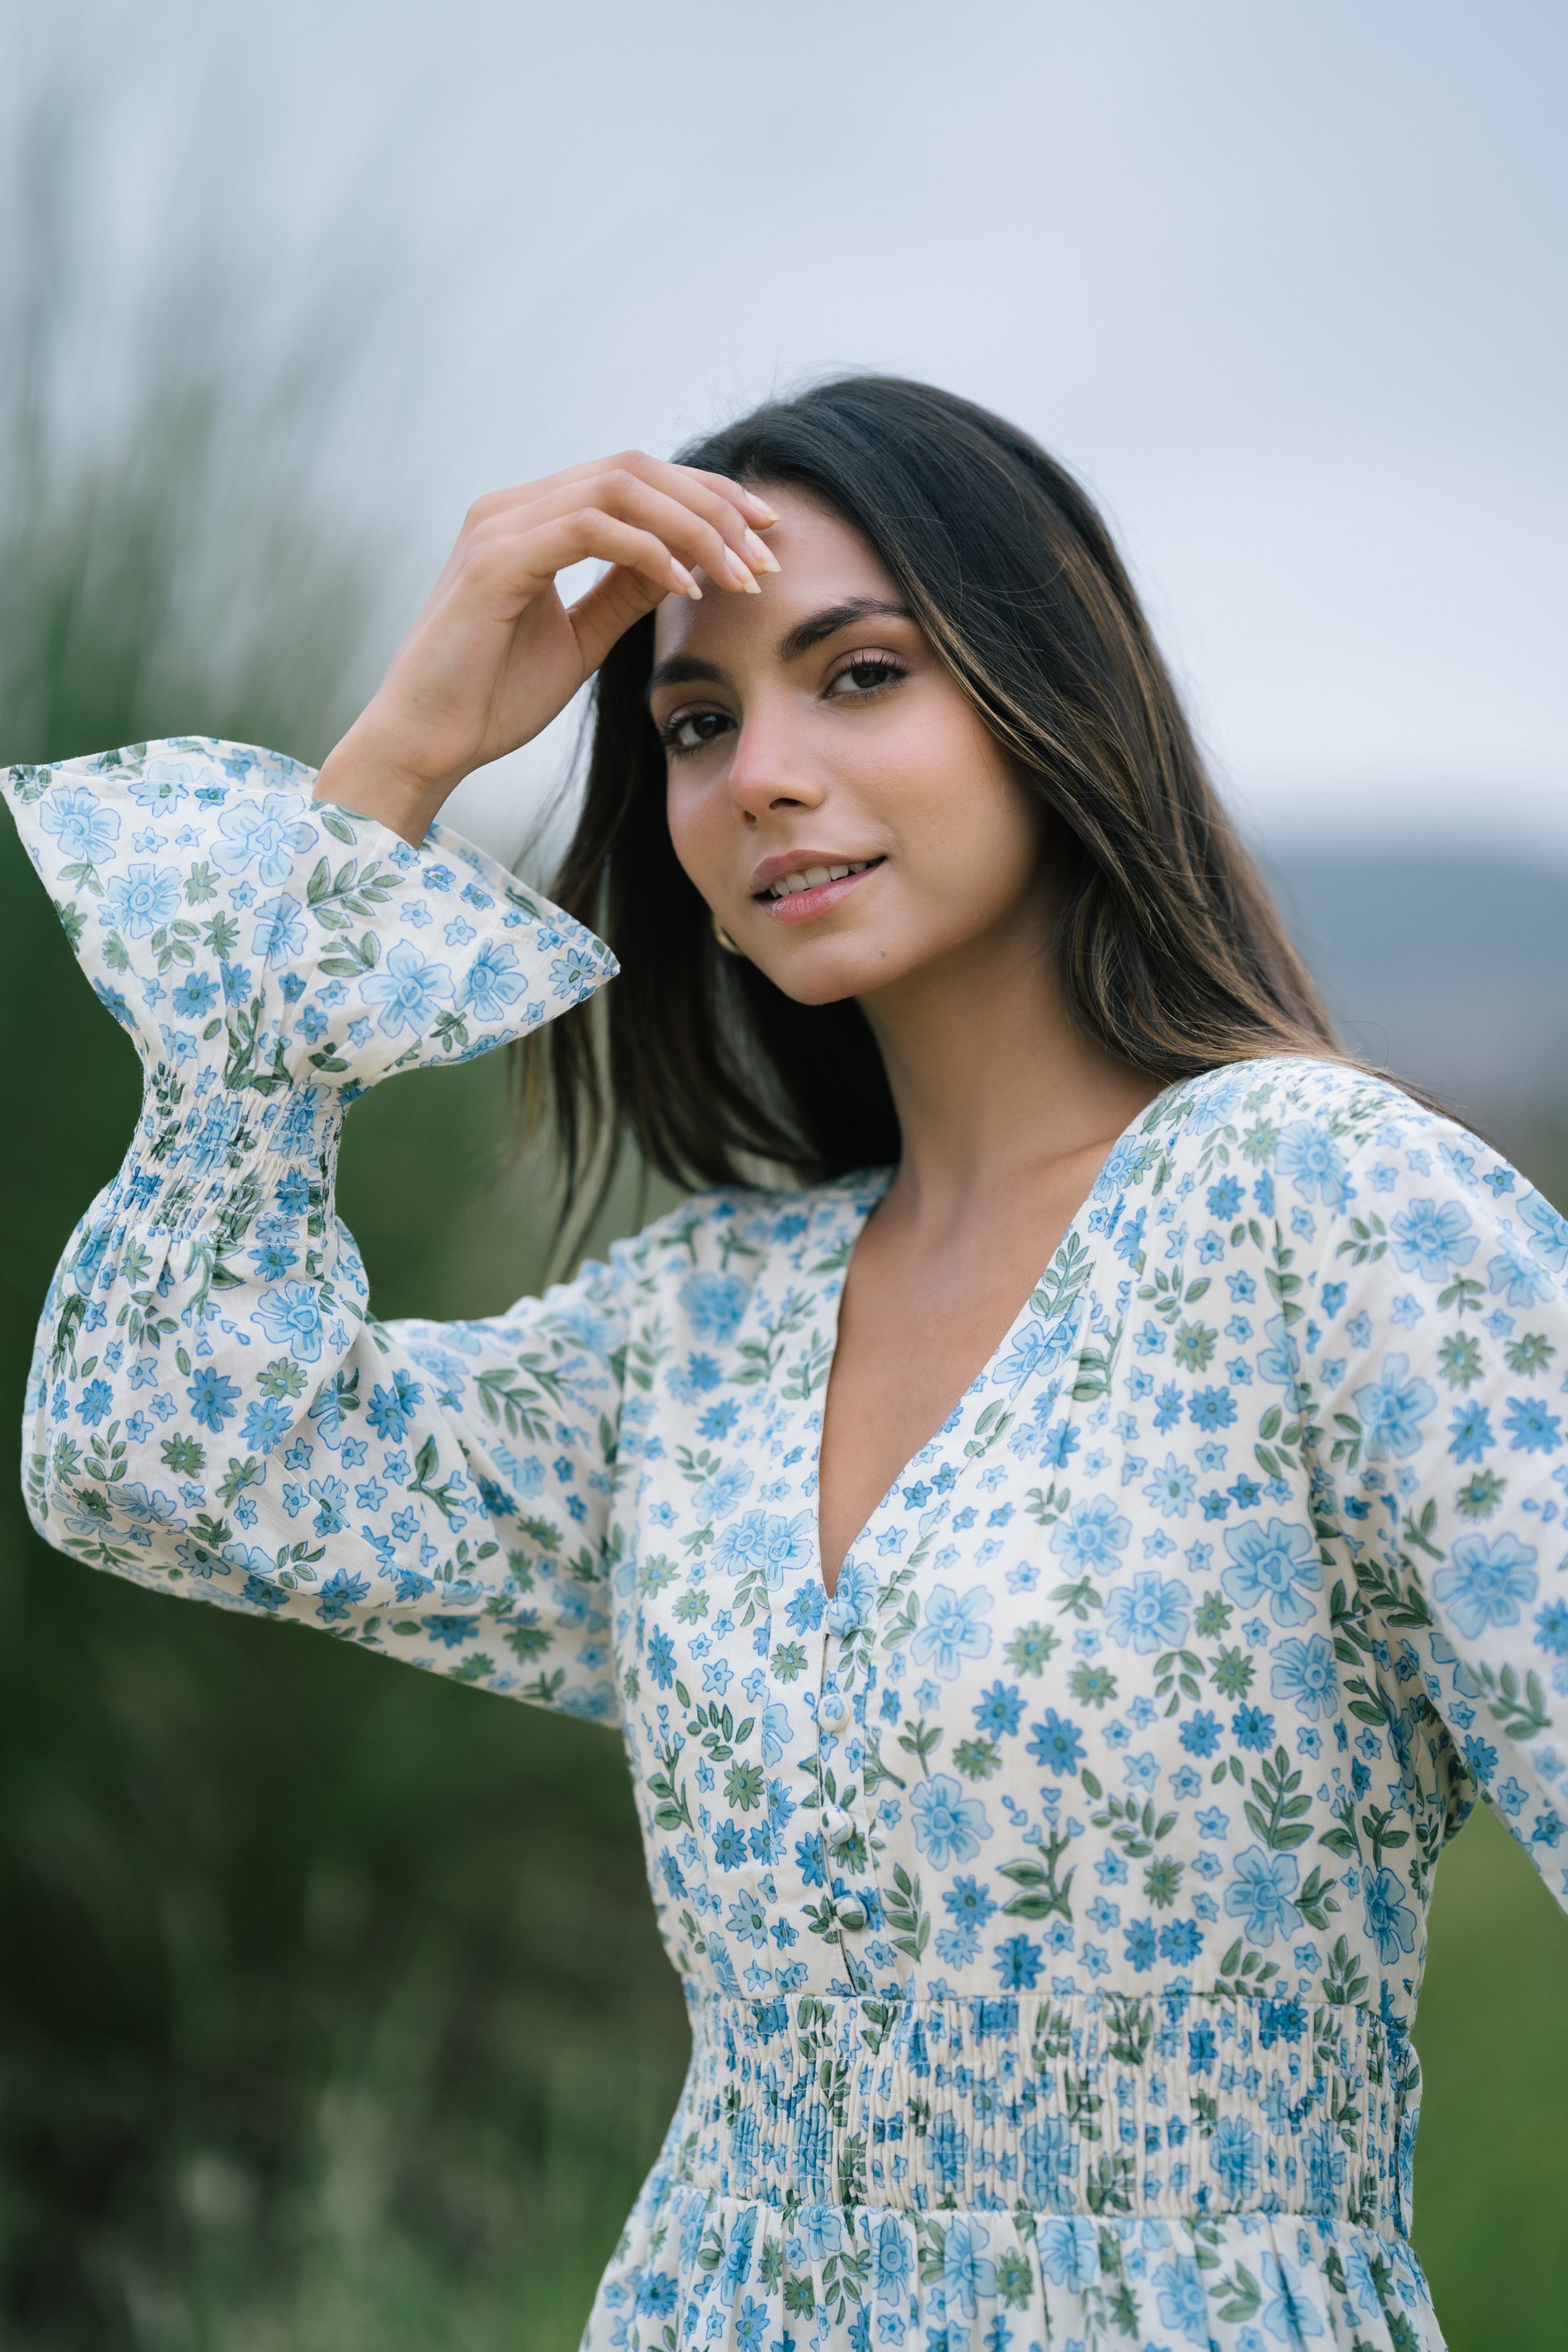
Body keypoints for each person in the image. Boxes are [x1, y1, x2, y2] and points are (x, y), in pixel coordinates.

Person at [7, 376, 1566, 2352]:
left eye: (860, 672)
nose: (759, 773)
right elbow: (157, 1448)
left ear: (1048, 694)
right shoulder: (700, 1330)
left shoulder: (1328, 1213)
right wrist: (393, 769)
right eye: (695, 719)